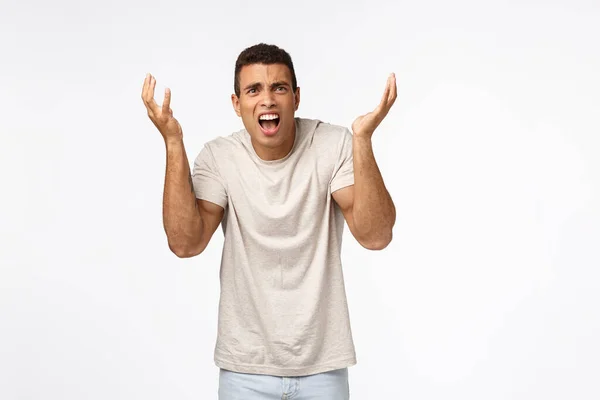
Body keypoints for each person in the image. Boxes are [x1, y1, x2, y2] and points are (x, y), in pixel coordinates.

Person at [141, 43, 396, 399]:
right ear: (236, 104)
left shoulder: (334, 144)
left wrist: (363, 141)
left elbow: (376, 235)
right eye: (253, 90)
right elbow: (186, 243)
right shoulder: (220, 157)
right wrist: (172, 141)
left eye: (279, 88)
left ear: (296, 97)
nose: (267, 100)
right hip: (245, 369)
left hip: (322, 366)